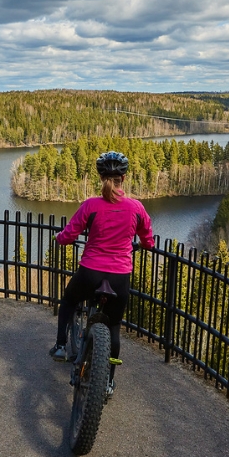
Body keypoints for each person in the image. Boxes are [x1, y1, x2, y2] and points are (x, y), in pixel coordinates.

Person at [51, 151, 155, 394]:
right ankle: (108, 381)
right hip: (119, 278)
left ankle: (59, 346)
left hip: (90, 273)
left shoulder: (91, 205)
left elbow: (69, 235)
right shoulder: (136, 208)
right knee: (114, 326)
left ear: (100, 177)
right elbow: (148, 241)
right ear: (124, 178)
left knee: (68, 300)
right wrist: (140, 244)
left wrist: (60, 238)